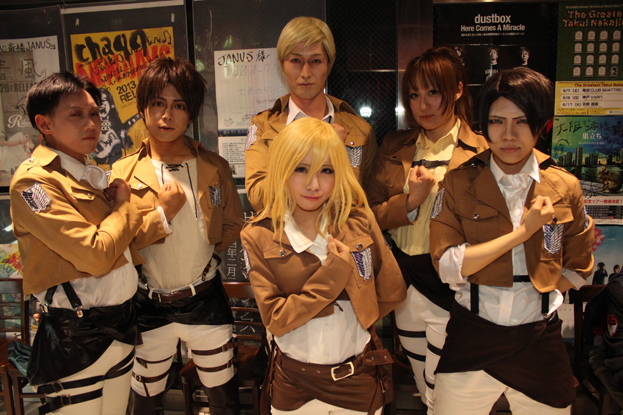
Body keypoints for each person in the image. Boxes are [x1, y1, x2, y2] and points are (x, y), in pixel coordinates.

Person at [430, 67, 595, 415]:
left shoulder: (565, 186)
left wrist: (543, 292)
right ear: (484, 125)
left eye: (521, 122)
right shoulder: (458, 182)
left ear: (541, 125)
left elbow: (579, 266)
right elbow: (447, 266)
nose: (508, 135)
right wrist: (524, 231)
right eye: (496, 122)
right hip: (473, 334)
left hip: (538, 337)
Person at [240, 117, 406, 415]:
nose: (314, 184)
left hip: (358, 378)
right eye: (301, 169)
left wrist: (356, 313)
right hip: (295, 385)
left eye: (326, 170)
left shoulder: (358, 221)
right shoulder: (259, 234)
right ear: (281, 169)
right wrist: (333, 277)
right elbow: (276, 319)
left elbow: (391, 290)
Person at [110, 58, 244, 415]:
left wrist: (205, 257)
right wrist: (161, 216)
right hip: (148, 303)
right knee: (145, 404)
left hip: (205, 300)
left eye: (179, 106)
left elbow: (233, 224)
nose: (167, 115)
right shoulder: (123, 172)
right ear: (143, 108)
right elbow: (118, 243)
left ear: (192, 113)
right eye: (158, 103)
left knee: (224, 402)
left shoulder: (214, 166)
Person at [10, 72, 144, 414]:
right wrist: (124, 206)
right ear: (44, 123)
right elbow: (96, 255)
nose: (91, 124)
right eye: (76, 114)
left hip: (120, 327)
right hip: (74, 338)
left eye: (95, 113)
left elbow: (119, 244)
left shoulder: (86, 174)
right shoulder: (33, 182)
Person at [367, 46, 487, 414]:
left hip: (454, 285)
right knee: (424, 384)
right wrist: (411, 201)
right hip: (405, 280)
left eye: (433, 92)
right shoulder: (395, 145)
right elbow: (368, 213)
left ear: (458, 89)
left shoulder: (482, 151)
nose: (423, 105)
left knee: (448, 387)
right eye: (415, 95)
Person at [244, 16, 377, 212]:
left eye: (315, 61)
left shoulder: (359, 130)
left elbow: (369, 204)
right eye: (296, 60)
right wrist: (323, 148)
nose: (305, 73)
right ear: (282, 64)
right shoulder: (263, 127)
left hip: (340, 231)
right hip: (283, 232)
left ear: (328, 64)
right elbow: (258, 197)